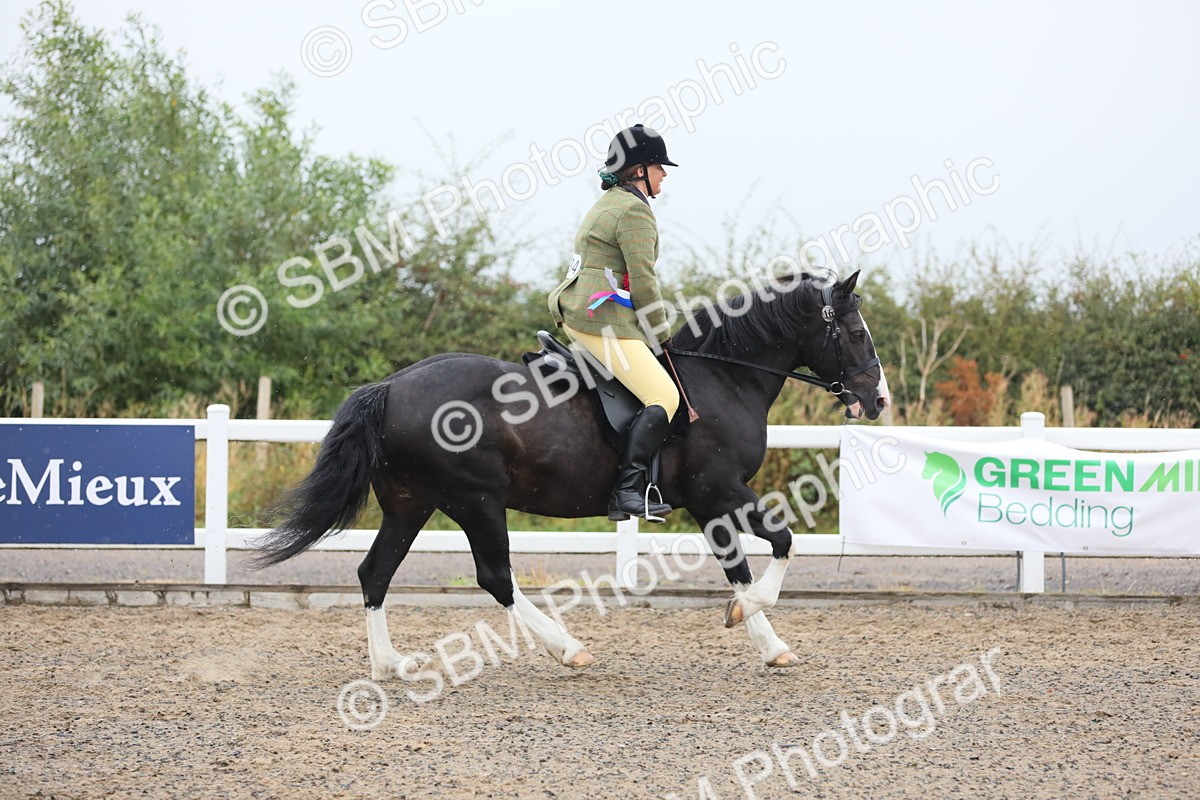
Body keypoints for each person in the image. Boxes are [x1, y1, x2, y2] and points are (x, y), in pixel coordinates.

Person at [547, 124, 681, 522]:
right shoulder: (635, 211)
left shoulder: (609, 201)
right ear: (639, 170)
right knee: (665, 396)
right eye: (658, 166)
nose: (664, 173)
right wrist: (661, 335)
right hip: (601, 319)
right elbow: (643, 282)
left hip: (579, 310)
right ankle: (627, 491)